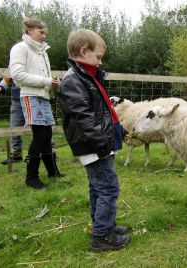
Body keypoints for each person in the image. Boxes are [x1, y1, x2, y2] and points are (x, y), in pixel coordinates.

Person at [58, 29, 131, 252]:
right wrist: (102, 145)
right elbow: (85, 119)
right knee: (108, 188)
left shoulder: (87, 77)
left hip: (97, 142)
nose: (100, 62)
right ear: (84, 51)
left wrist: (120, 131)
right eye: (98, 57)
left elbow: (106, 111)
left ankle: (105, 226)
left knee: (98, 188)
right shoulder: (74, 81)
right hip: (94, 145)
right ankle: (101, 237)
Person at [9, 18, 64, 190]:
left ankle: (52, 171)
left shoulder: (43, 53)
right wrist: (46, 81)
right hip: (30, 96)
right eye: (41, 32)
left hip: (44, 96)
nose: (44, 36)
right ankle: (31, 177)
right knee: (40, 136)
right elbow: (17, 75)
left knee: (47, 135)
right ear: (29, 31)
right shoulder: (20, 48)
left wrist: (51, 84)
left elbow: (44, 78)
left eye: (44, 32)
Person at [0, 77, 24, 164]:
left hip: (34, 98)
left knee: (40, 125)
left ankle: (48, 153)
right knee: (13, 128)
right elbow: (6, 79)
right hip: (16, 101)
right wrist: (0, 87)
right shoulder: (12, 63)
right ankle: (17, 156)